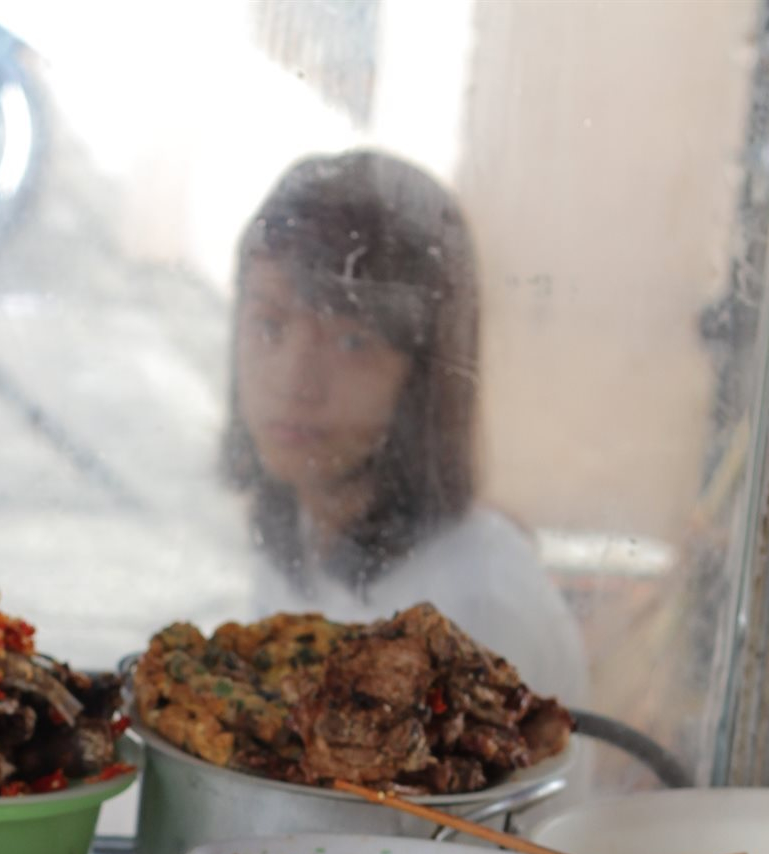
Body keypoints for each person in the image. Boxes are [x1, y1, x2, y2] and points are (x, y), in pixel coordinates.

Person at [224, 149, 587, 703]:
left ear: (423, 376)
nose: (295, 382)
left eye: (351, 340)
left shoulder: (474, 608)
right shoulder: (299, 536)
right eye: (269, 326)